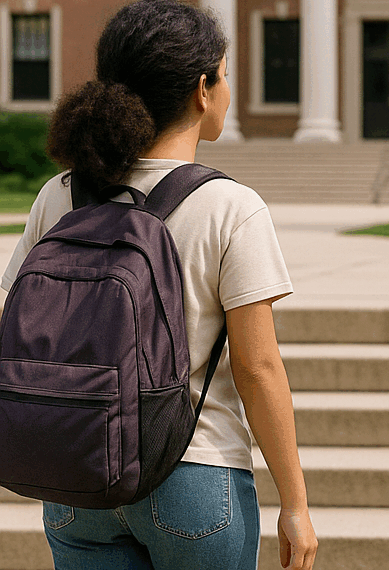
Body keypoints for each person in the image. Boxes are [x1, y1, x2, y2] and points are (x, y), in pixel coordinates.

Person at [0, 1, 317, 569]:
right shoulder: (230, 206)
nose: (227, 90)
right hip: (195, 475)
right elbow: (258, 367)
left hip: (77, 475)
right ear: (202, 90)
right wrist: (295, 502)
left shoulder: (61, 194)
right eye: (224, 75)